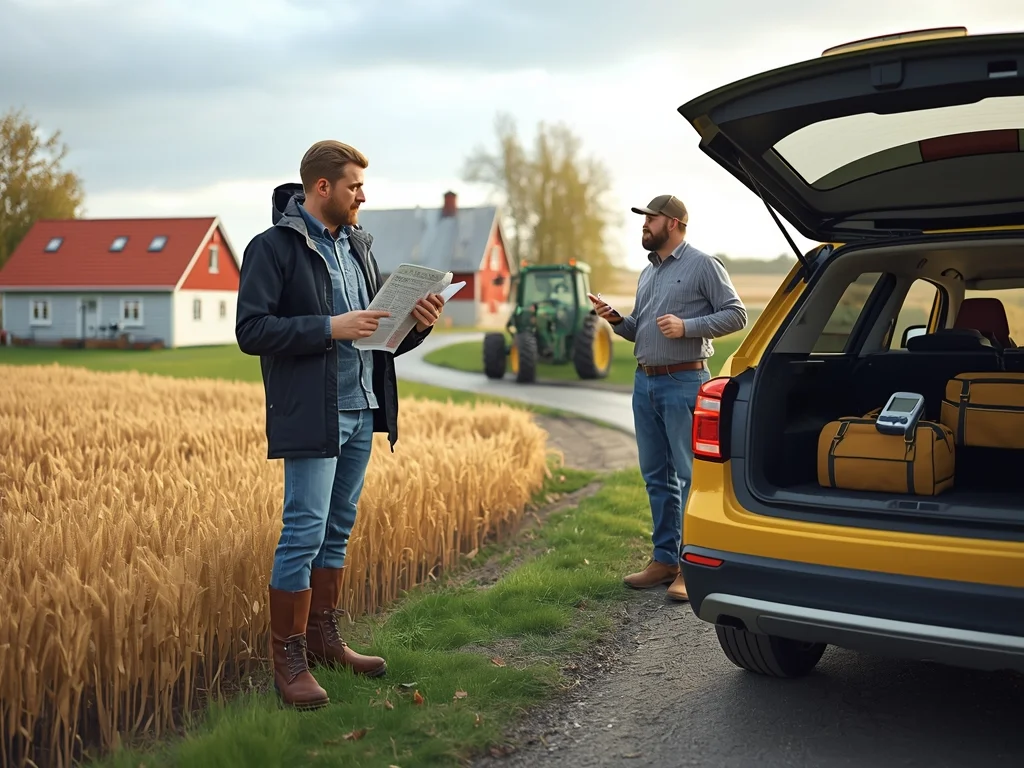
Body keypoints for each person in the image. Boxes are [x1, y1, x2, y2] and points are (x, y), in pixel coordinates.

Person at [235, 140, 446, 710]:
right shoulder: (271, 248)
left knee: (337, 529)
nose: (362, 196)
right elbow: (251, 331)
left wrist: (419, 323)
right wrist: (331, 326)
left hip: (362, 407)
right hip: (313, 413)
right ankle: (289, 660)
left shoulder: (358, 248)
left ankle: (325, 640)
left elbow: (378, 338)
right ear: (322, 187)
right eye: (354, 186)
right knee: (303, 531)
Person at [590, 194, 746, 602]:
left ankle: (692, 568)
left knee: (691, 478)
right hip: (645, 383)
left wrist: (687, 326)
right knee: (655, 476)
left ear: (672, 223)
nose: (644, 224)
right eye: (644, 219)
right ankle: (665, 560)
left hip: (684, 382)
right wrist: (615, 319)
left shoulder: (703, 265)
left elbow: (736, 314)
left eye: (650, 218)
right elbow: (640, 329)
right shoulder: (648, 273)